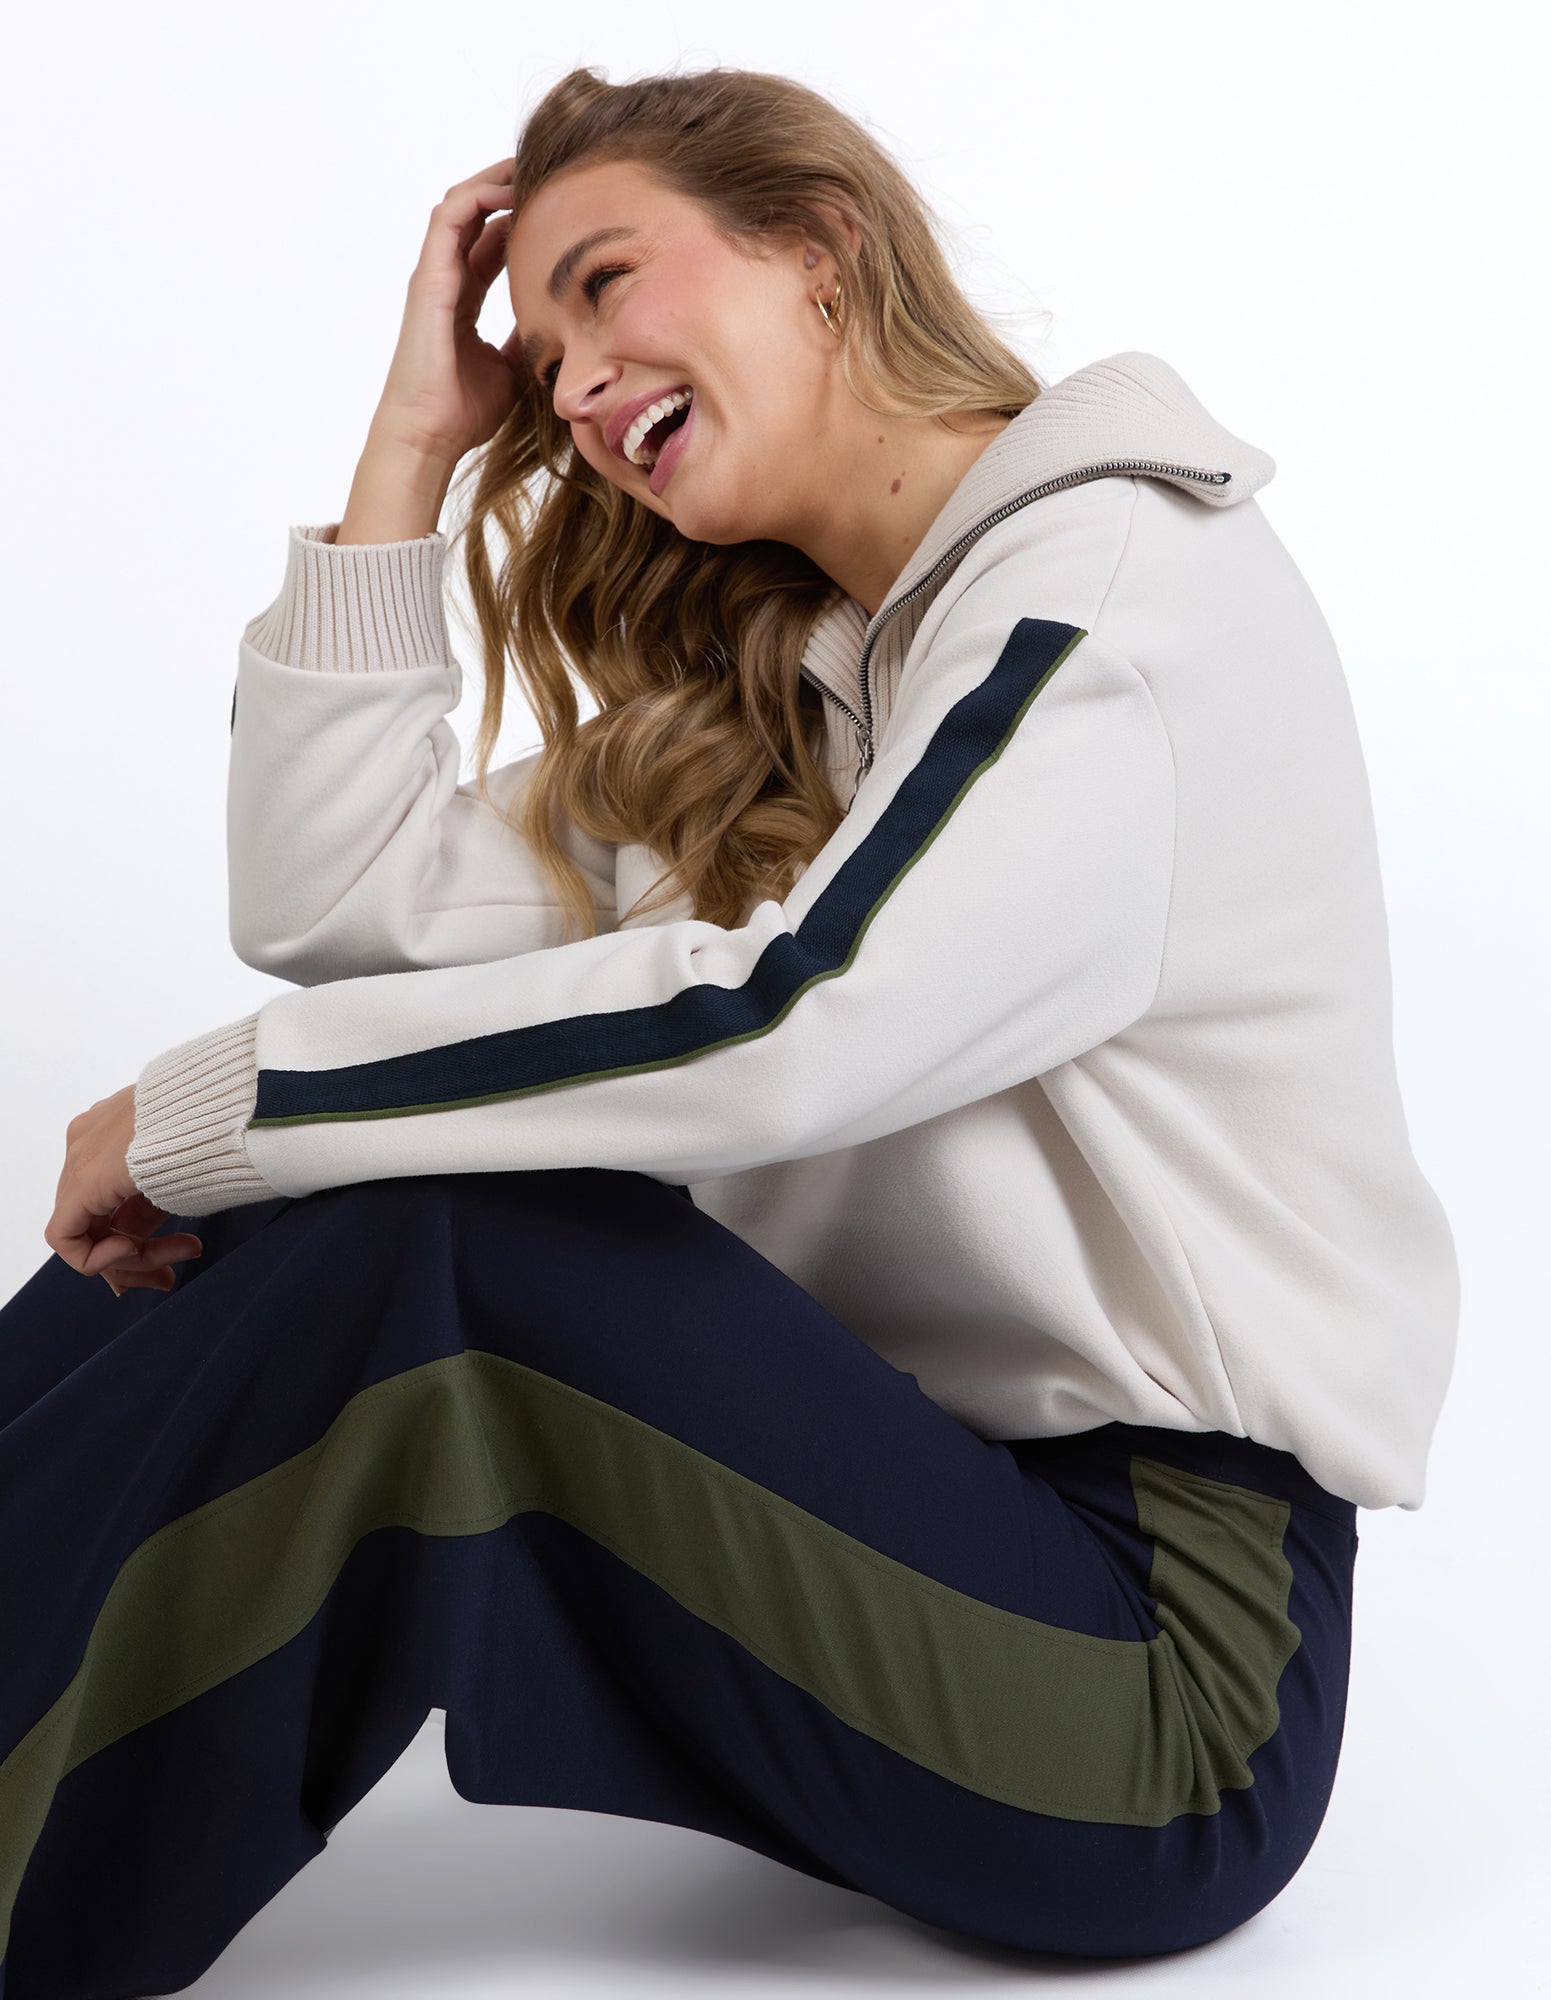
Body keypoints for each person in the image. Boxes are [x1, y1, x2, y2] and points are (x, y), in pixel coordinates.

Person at [0, 62, 1458, 1993]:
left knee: (432, 1219)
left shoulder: (1115, 596)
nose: (575, 385)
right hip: (883, 1499)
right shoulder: (801, 694)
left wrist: (219, 1103)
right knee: (337, 1186)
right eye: (541, 357)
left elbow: (798, 1021)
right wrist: (415, 441)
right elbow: (332, 897)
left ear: (822, 246)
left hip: (1165, 1681)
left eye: (607, 283)